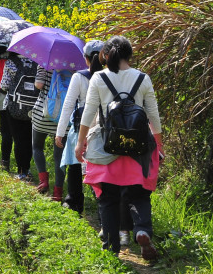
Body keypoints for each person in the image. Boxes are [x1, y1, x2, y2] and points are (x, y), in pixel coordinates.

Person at [75, 36, 163, 260]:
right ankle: (142, 229)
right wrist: (159, 146)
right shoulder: (143, 78)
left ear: (107, 55)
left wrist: (80, 142)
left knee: (108, 198)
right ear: (129, 54)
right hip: (139, 148)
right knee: (140, 195)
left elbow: (88, 113)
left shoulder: (98, 77)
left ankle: (111, 247)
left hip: (108, 147)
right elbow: (153, 116)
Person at [55, 40, 105, 214]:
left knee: (75, 162)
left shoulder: (80, 76)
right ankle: (104, 207)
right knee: (99, 164)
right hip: (103, 128)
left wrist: (60, 132)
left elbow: (68, 104)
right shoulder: (111, 76)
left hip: (82, 126)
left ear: (86, 58)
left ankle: (75, 201)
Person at [0, 50, 39, 181]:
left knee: (18, 139)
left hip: (14, 106)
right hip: (33, 107)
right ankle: (27, 170)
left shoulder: (11, 62)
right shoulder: (37, 63)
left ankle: (21, 172)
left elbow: (4, 86)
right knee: (28, 139)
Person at [30, 66, 64, 195]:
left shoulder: (45, 63)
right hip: (63, 116)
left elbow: (39, 85)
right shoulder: (73, 66)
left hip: (44, 112)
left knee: (37, 147)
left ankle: (43, 181)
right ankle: (58, 192)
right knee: (59, 156)